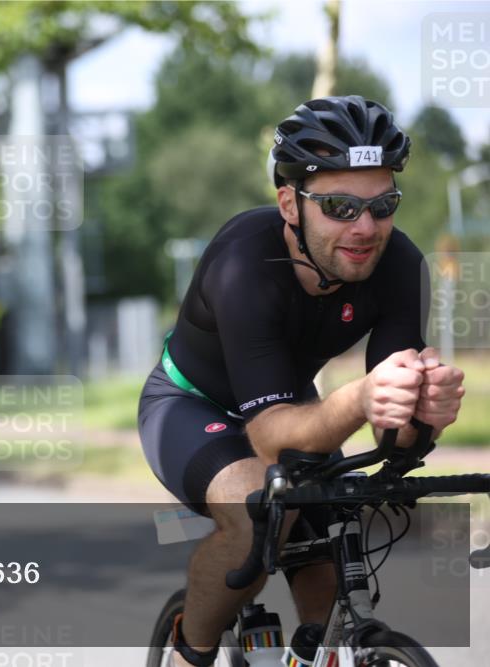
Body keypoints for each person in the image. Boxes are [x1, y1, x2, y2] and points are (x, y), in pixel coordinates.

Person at [137, 96, 466, 666]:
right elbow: (269, 439)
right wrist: (363, 398)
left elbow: (394, 438)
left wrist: (420, 416)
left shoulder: (400, 266)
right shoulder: (243, 261)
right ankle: (190, 651)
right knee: (260, 513)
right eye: (339, 206)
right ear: (290, 203)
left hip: (291, 403)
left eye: (383, 204)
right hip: (190, 405)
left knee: (336, 538)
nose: (366, 228)